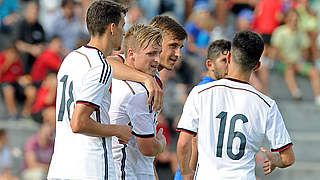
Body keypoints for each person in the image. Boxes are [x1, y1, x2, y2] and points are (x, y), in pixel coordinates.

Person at [47, 1, 163, 180]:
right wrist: (118, 130)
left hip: (61, 165)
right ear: (112, 28)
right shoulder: (101, 66)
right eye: (123, 26)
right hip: (90, 166)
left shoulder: (71, 59)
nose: (124, 32)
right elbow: (79, 123)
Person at [176, 31, 295, 179]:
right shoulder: (266, 105)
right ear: (257, 66)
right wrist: (275, 160)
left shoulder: (201, 92)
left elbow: (183, 144)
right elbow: (288, 158)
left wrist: (186, 172)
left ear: (229, 57)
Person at [110, 24, 166, 180]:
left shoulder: (121, 69)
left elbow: (108, 60)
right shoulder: (139, 93)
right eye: (151, 54)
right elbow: (147, 148)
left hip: (120, 166)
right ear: (131, 54)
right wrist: (161, 143)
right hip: (128, 170)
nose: (158, 59)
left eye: (159, 53)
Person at [174, 39, 230, 180]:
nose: (229, 66)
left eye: (231, 61)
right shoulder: (203, 92)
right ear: (210, 64)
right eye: (224, 60)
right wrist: (189, 174)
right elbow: (191, 140)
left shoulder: (225, 91)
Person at [271, 9, 320, 104]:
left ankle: (318, 96)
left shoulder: (300, 32)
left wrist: (303, 60)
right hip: (283, 62)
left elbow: (305, 48)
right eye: (292, 20)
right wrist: (286, 60)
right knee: (289, 69)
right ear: (287, 20)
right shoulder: (280, 32)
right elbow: (276, 51)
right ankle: (296, 92)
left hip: (298, 62)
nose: (294, 22)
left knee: (314, 71)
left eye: (296, 20)